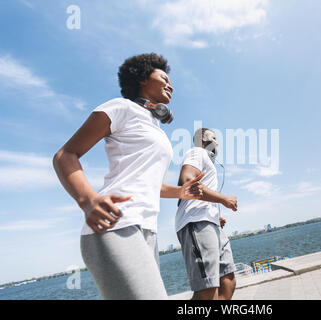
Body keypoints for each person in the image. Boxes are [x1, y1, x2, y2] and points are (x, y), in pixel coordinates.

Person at [52, 53, 205, 300]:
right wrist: (88, 200)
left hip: (147, 231)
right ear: (143, 78)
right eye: (164, 77)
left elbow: (147, 182)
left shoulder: (156, 128)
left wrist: (179, 192)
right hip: (114, 225)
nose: (171, 85)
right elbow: (65, 155)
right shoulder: (121, 108)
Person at [176, 128, 238, 300]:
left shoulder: (208, 162)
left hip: (211, 224)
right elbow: (188, 182)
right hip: (196, 221)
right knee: (207, 290)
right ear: (203, 139)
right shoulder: (196, 152)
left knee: (228, 282)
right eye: (214, 138)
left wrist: (215, 216)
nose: (217, 142)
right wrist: (223, 199)